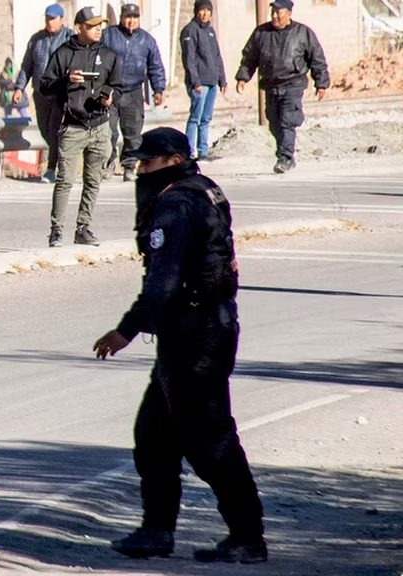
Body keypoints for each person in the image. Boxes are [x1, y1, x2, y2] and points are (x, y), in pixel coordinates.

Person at [93, 127, 267, 564]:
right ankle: (156, 532)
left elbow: (163, 281)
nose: (140, 170)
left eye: (147, 163)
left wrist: (125, 331)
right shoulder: (203, 190)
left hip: (197, 334)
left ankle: (247, 536)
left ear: (171, 161)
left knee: (209, 441)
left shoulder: (175, 203)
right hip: (196, 328)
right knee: (154, 435)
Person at [39, 6, 121, 247]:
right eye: (92, 26)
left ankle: (83, 228)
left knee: (93, 180)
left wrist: (109, 96)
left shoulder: (108, 54)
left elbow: (118, 85)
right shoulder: (63, 53)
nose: (98, 30)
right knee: (65, 180)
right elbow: (44, 86)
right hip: (72, 127)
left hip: (99, 125)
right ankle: (56, 231)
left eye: (100, 26)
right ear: (79, 28)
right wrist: (65, 81)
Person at [235, 0, 328, 174]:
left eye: (279, 13)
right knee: (274, 122)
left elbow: (317, 59)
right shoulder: (261, 33)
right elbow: (249, 57)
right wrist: (242, 77)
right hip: (271, 85)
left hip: (293, 83)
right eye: (273, 12)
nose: (275, 16)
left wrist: (321, 83)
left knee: (287, 120)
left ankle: (285, 156)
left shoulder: (303, 33)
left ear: (289, 13)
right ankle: (285, 155)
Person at [102, 4, 166, 182]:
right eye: (128, 17)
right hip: (110, 91)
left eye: (135, 18)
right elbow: (97, 58)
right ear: (121, 18)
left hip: (134, 91)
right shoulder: (109, 35)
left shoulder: (147, 40)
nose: (131, 21)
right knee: (108, 131)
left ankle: (129, 166)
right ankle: (108, 163)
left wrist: (158, 89)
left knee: (133, 132)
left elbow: (156, 66)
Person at [14, 3, 75, 183]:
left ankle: (51, 168)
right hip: (41, 93)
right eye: (47, 19)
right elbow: (27, 66)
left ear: (61, 20)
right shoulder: (36, 40)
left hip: (60, 92)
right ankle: (62, 159)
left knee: (56, 129)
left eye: (53, 19)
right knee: (45, 130)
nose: (49, 22)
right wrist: (19, 87)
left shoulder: (70, 38)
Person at [180, 1, 226, 161]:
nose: (205, 14)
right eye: (202, 10)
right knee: (195, 118)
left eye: (208, 10)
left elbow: (217, 56)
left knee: (206, 118)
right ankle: (189, 151)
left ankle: (203, 151)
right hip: (199, 84)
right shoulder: (190, 31)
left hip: (212, 82)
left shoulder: (210, 31)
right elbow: (189, 60)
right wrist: (195, 82)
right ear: (196, 11)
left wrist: (222, 79)